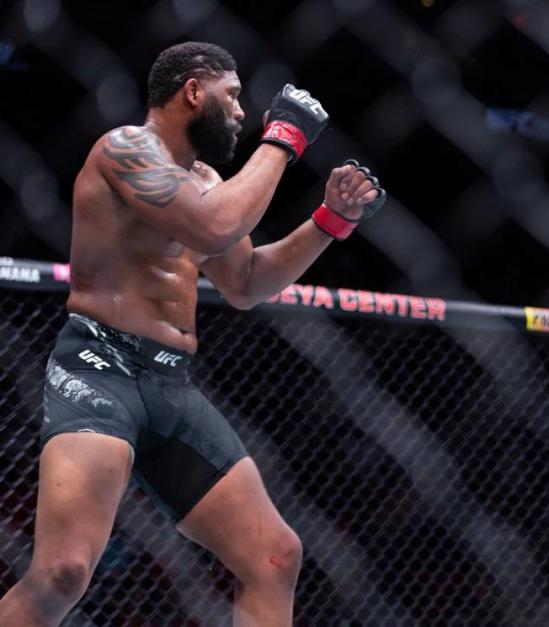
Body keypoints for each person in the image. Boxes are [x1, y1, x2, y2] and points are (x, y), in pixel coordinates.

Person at [0, 41, 385, 626]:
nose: (239, 112)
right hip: (100, 367)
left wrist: (331, 221)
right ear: (193, 91)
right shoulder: (124, 150)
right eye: (232, 96)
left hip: (171, 383)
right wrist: (284, 137)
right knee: (63, 572)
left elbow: (247, 282)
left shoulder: (205, 177)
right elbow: (212, 226)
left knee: (275, 556)